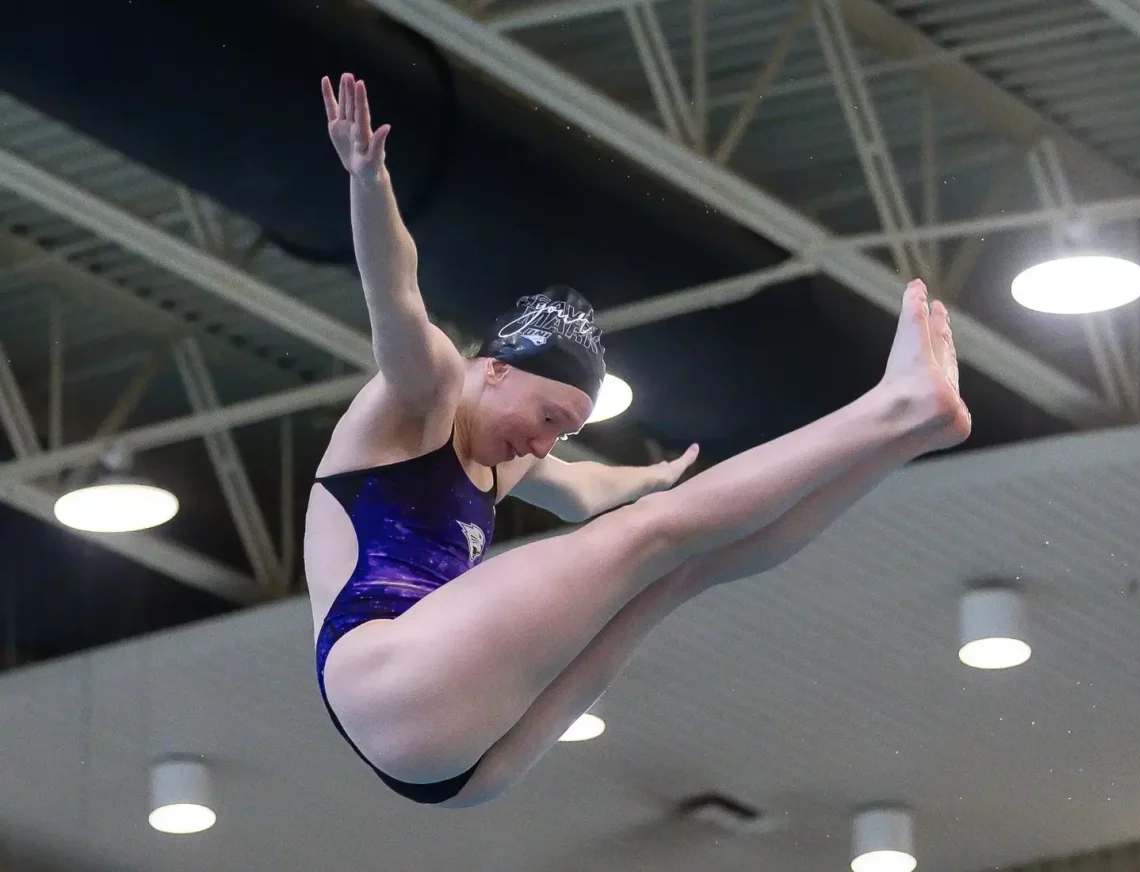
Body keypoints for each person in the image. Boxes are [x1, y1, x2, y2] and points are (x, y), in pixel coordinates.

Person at [305, 73, 971, 810]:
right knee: (652, 539)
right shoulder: (421, 389)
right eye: (550, 415)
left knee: (683, 570)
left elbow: (588, 492)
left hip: (460, 750)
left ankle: (908, 435)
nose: (546, 441)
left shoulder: (512, 459)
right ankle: (893, 405)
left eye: (566, 431)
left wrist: (651, 476)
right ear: (496, 368)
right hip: (388, 682)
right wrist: (368, 181)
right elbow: (394, 291)